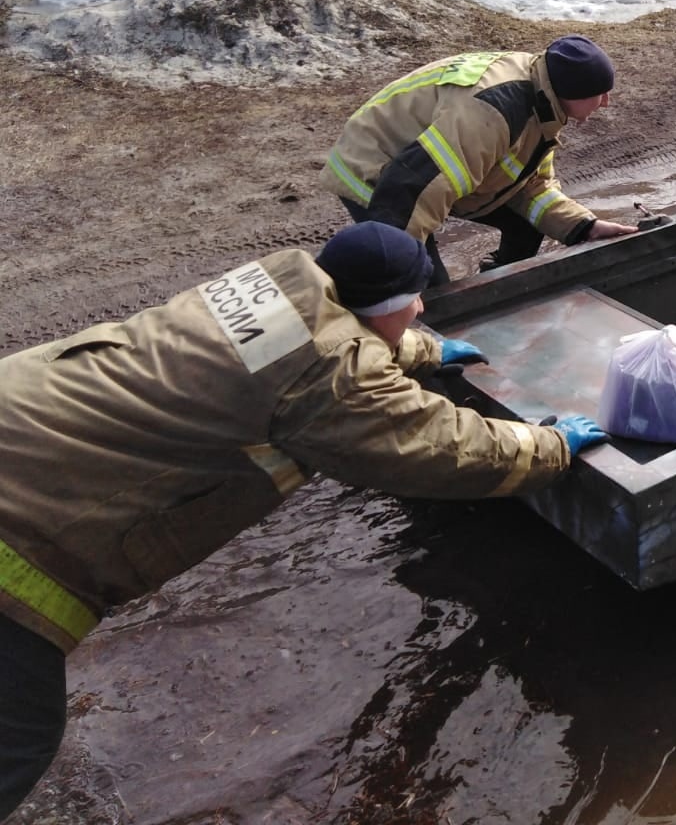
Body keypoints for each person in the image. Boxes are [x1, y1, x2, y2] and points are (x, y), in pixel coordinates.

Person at [0, 221, 606, 817]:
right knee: (20, 737)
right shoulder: (336, 378)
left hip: (20, 413)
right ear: (388, 304)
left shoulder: (281, 280)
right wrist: (550, 446)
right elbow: (441, 447)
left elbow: (315, 342)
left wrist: (421, 349)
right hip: (25, 523)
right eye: (415, 299)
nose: (422, 307)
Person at [319, 38, 638, 285]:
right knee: (424, 283)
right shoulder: (494, 112)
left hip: (429, 168)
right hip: (379, 167)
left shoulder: (544, 99)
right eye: (600, 93)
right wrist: (401, 286)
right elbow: (413, 192)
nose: (606, 102)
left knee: (527, 226)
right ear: (571, 91)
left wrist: (585, 227)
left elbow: (533, 187)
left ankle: (497, 291)